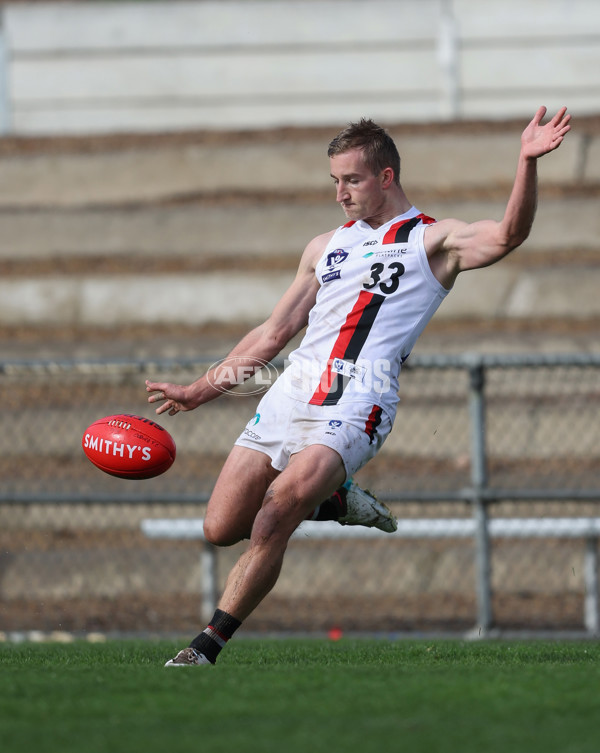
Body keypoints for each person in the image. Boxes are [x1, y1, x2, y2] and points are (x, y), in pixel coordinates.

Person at [146, 106, 571, 666]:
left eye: (351, 180)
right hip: (294, 389)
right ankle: (336, 501)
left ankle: (205, 647)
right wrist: (199, 391)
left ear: (386, 177)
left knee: (274, 514)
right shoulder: (324, 247)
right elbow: (273, 333)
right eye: (335, 181)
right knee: (221, 526)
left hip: (361, 398)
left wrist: (526, 162)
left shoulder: (432, 241)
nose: (340, 193)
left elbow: (508, 234)